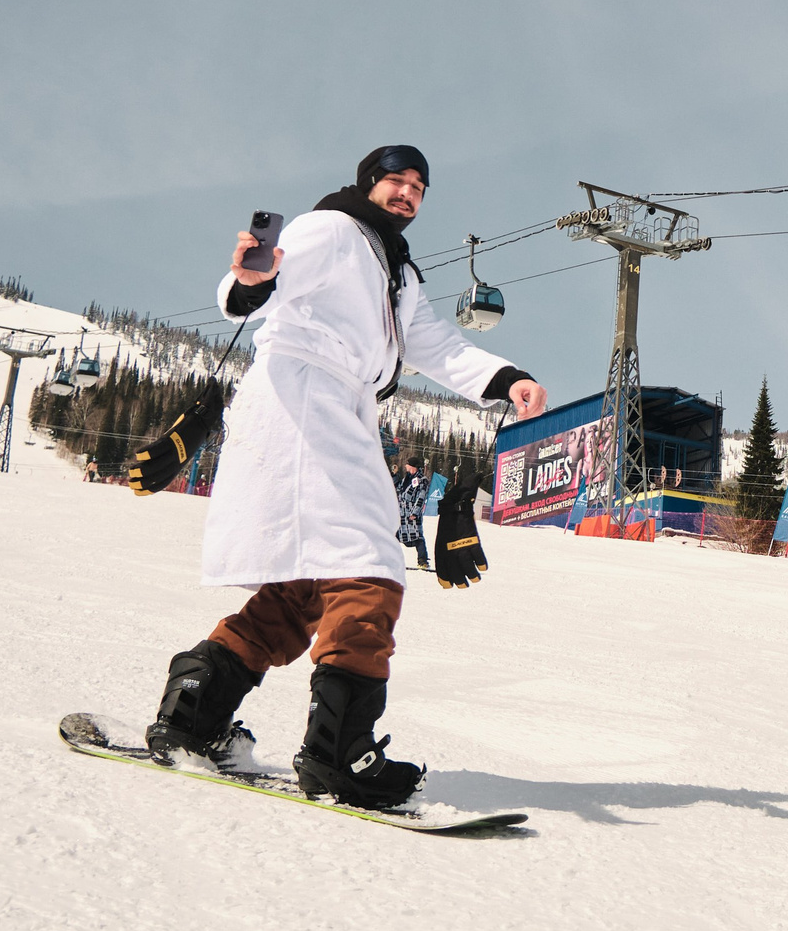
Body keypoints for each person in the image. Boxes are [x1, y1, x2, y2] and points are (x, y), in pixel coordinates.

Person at [142, 145, 546, 808]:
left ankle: (193, 713)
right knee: (370, 565)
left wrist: (507, 379)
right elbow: (264, 281)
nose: (408, 193)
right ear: (368, 183)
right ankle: (338, 754)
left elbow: (433, 345)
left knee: (306, 586)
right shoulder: (330, 229)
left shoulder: (397, 269)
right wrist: (251, 280)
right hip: (304, 396)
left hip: (340, 407)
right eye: (397, 180)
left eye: (419, 186)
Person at [395, 459, 432, 571]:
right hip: (402, 513)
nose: (405, 466)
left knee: (417, 537)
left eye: (407, 465)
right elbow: (398, 489)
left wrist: (415, 512)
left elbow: (421, 497)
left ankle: (423, 561)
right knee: (395, 536)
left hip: (411, 513)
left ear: (412, 466)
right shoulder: (406, 478)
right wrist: (394, 476)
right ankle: (392, 560)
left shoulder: (421, 480)